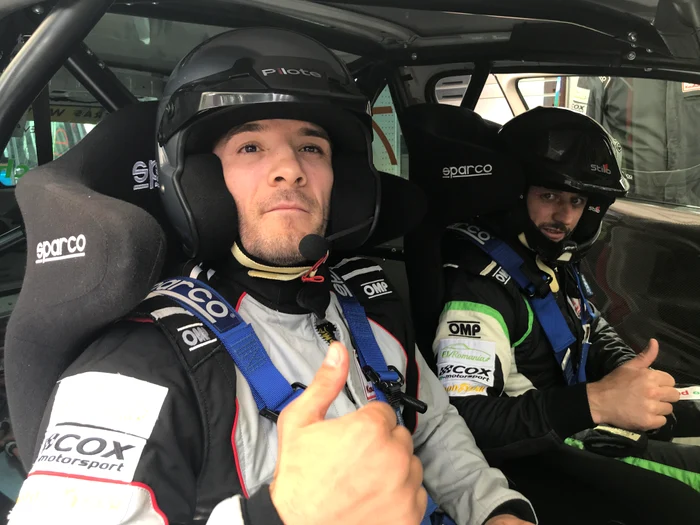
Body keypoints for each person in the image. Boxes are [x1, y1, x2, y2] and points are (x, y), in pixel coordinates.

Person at [7, 29, 536, 525]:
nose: (291, 169)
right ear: (200, 180)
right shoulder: (140, 363)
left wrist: (494, 508)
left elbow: (432, 426)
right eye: (251, 147)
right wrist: (277, 514)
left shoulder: (367, 302)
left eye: (311, 147)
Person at [433, 106, 700, 485]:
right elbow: (463, 418)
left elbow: (589, 323)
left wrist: (626, 370)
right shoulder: (479, 287)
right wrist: (596, 402)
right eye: (549, 195)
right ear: (514, 194)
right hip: (543, 453)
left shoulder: (549, 259)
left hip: (575, 419)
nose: (565, 216)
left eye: (576, 201)